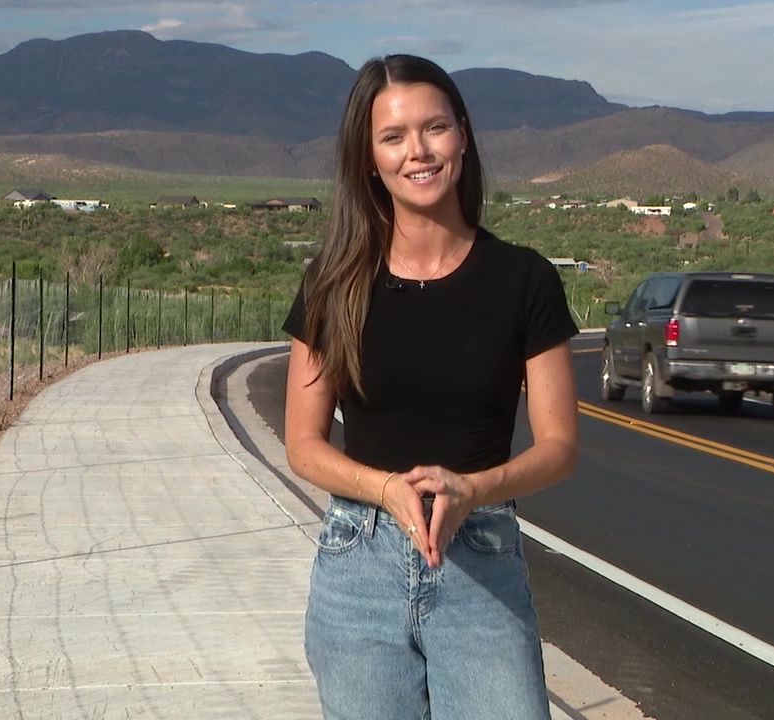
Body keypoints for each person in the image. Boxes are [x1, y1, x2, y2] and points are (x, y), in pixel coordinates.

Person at [282, 53, 579, 720]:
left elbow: (559, 446)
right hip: (358, 560)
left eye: (434, 128)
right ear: (369, 158)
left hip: (481, 556)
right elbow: (302, 443)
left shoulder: (523, 281)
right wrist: (385, 487)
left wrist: (474, 489)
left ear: (463, 136)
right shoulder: (333, 283)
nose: (417, 151)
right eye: (393, 136)